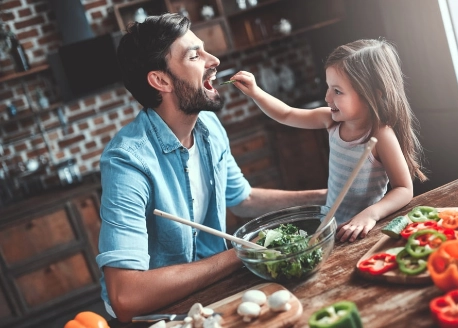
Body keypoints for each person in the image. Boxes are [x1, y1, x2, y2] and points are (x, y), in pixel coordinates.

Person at [96, 13, 326, 322]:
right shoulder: (127, 162)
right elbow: (126, 296)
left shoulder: (208, 126)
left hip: (211, 296)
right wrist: (241, 253)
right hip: (157, 319)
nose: (213, 60)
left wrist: (328, 197)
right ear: (161, 80)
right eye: (195, 55)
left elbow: (242, 199)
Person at [230, 39, 427, 244]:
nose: (327, 97)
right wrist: (255, 92)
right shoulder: (330, 121)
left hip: (364, 231)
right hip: (332, 228)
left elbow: (404, 189)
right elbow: (286, 114)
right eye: (328, 87)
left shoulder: (380, 134)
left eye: (337, 91)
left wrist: (370, 215)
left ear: (372, 96)